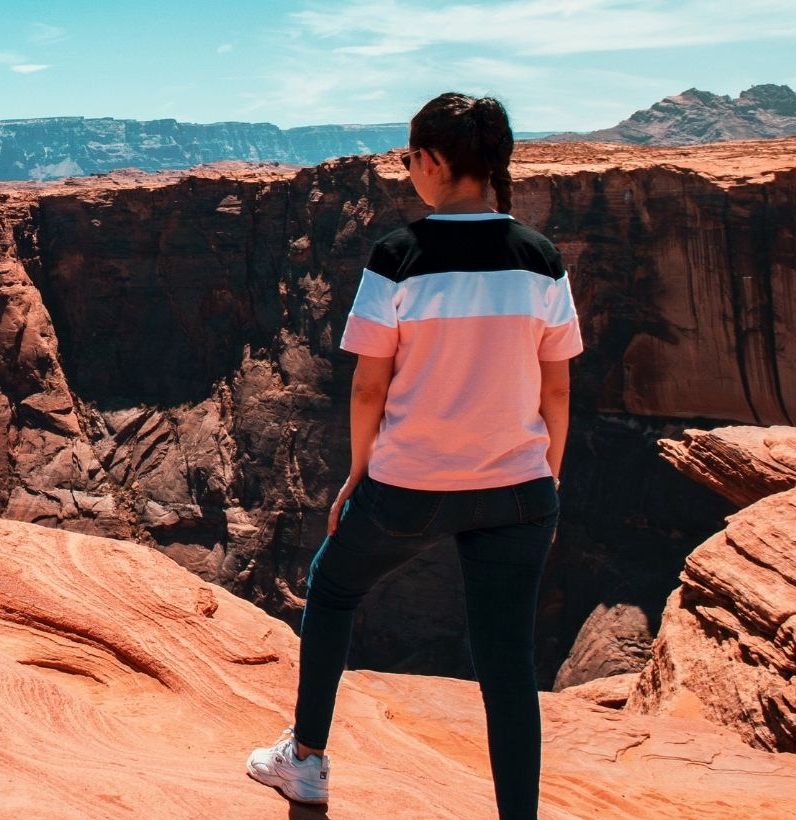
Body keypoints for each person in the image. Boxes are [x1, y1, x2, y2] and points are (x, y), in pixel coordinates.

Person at [245, 91, 582, 819]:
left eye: (408, 158)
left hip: (411, 484)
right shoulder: (540, 258)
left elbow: (370, 387)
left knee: (333, 589)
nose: (407, 171)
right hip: (519, 489)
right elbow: (556, 386)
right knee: (507, 665)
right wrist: (548, 474)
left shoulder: (399, 256)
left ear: (432, 161)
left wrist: (360, 473)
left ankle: (305, 764)